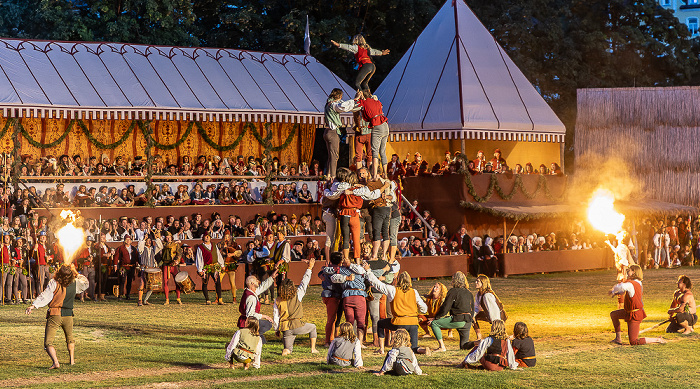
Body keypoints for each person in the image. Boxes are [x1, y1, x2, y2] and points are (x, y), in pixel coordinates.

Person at [25, 264, 89, 369]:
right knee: (70, 338)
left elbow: (45, 296)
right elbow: (86, 283)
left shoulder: (54, 283)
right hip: (68, 315)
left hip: (55, 315)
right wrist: (76, 273)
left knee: (48, 342)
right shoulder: (75, 283)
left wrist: (34, 305)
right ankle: (72, 361)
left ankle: (56, 362)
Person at [362, 267, 429, 355]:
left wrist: (368, 271)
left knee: (380, 324)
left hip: (399, 322)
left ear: (398, 280)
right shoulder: (414, 292)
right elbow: (424, 308)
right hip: (413, 322)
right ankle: (423, 350)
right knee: (413, 348)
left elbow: (377, 284)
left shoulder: (393, 290)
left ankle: (381, 349)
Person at [609, 264, 666, 345]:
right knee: (614, 314)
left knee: (634, 341)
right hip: (629, 312)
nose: (628, 271)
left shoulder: (632, 284)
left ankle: (657, 339)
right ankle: (618, 338)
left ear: (634, 272)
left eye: (629, 270)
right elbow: (624, 289)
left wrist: (613, 290)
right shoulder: (635, 282)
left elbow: (622, 286)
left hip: (635, 314)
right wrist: (616, 292)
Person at [273, 258, 318, 356]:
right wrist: (310, 267)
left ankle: (286, 350)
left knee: (287, 349)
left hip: (286, 328)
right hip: (298, 325)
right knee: (313, 327)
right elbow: (304, 282)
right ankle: (313, 349)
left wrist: (277, 329)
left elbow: (276, 316)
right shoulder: (298, 294)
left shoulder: (277, 300)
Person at [430, 271, 474, 351]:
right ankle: (477, 343)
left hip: (458, 319)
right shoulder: (469, 293)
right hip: (468, 321)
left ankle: (442, 347)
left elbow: (445, 307)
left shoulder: (453, 291)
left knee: (434, 323)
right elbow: (472, 309)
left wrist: (436, 317)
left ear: (455, 280)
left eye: (452, 278)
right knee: (463, 347)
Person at [323, 88, 358, 178]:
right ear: (339, 96)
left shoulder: (328, 103)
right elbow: (343, 106)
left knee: (331, 156)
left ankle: (329, 174)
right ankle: (333, 176)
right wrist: (355, 100)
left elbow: (344, 104)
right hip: (332, 132)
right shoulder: (334, 105)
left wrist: (355, 101)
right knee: (335, 155)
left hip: (326, 131)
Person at [238, 270, 280, 342]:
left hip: (248, 322)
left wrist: (271, 278)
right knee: (268, 324)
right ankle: (252, 334)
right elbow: (250, 314)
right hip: (247, 324)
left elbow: (262, 287)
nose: (258, 281)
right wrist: (264, 316)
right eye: (256, 280)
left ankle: (255, 336)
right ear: (252, 283)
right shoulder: (251, 297)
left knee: (262, 341)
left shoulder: (250, 291)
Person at [357, 91, 389, 180]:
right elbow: (380, 105)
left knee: (374, 152)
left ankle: (374, 176)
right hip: (385, 125)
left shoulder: (364, 102)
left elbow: (357, 104)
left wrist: (358, 97)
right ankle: (385, 174)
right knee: (382, 151)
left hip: (377, 125)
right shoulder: (376, 101)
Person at [318, 252, 345, 346]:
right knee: (331, 319)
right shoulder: (338, 270)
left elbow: (320, 273)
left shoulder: (326, 269)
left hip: (328, 294)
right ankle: (328, 341)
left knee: (334, 318)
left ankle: (332, 338)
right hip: (332, 295)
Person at [472, 275, 507, 340]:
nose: (475, 283)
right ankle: (479, 336)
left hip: (499, 316)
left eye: (478, 281)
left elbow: (494, 311)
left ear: (483, 283)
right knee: (472, 316)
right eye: (476, 281)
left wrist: (495, 324)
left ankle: (501, 335)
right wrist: (472, 315)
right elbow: (477, 308)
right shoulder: (479, 294)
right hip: (489, 314)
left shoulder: (487, 295)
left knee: (499, 336)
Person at [195, 234, 224, 305]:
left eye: (208, 236)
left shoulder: (214, 245)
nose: (207, 237)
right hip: (206, 267)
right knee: (205, 283)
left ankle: (220, 299)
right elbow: (199, 258)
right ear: (203, 238)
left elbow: (218, 255)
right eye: (205, 236)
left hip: (215, 266)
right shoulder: (200, 247)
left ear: (210, 238)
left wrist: (222, 264)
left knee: (218, 282)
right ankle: (207, 299)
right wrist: (200, 269)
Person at [137, 236, 162, 306]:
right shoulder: (142, 249)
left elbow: (160, 246)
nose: (149, 242)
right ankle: (140, 300)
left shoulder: (153, 249)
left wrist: (157, 238)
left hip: (151, 269)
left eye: (150, 241)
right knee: (142, 284)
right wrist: (143, 239)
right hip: (144, 269)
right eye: (147, 241)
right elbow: (139, 248)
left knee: (151, 286)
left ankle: (145, 300)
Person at [113, 235, 139, 300]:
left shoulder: (133, 248)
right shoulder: (121, 248)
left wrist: (137, 262)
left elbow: (136, 256)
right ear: (124, 240)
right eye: (126, 239)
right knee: (122, 280)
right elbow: (116, 257)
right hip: (123, 267)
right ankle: (120, 295)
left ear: (131, 241)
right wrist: (115, 265)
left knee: (129, 281)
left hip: (131, 266)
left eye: (129, 239)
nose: (128, 241)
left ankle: (128, 295)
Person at [160, 232, 183, 305]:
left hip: (173, 265)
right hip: (166, 265)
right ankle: (167, 299)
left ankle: (178, 298)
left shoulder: (175, 245)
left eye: (169, 237)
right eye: (166, 237)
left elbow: (179, 253)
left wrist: (177, 260)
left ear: (171, 237)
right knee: (165, 282)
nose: (167, 238)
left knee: (177, 281)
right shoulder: (163, 245)